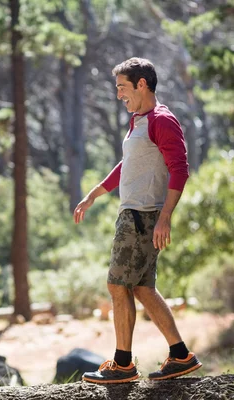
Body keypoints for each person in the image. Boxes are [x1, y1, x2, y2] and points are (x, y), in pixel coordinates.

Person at [74, 57, 202, 384]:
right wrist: (94, 194)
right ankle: (180, 356)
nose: (118, 94)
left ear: (141, 84)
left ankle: (123, 365)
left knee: (117, 285)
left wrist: (165, 218)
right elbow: (128, 164)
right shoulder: (139, 120)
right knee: (143, 289)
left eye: (122, 87)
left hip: (142, 217)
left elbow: (180, 169)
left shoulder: (162, 120)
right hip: (135, 214)